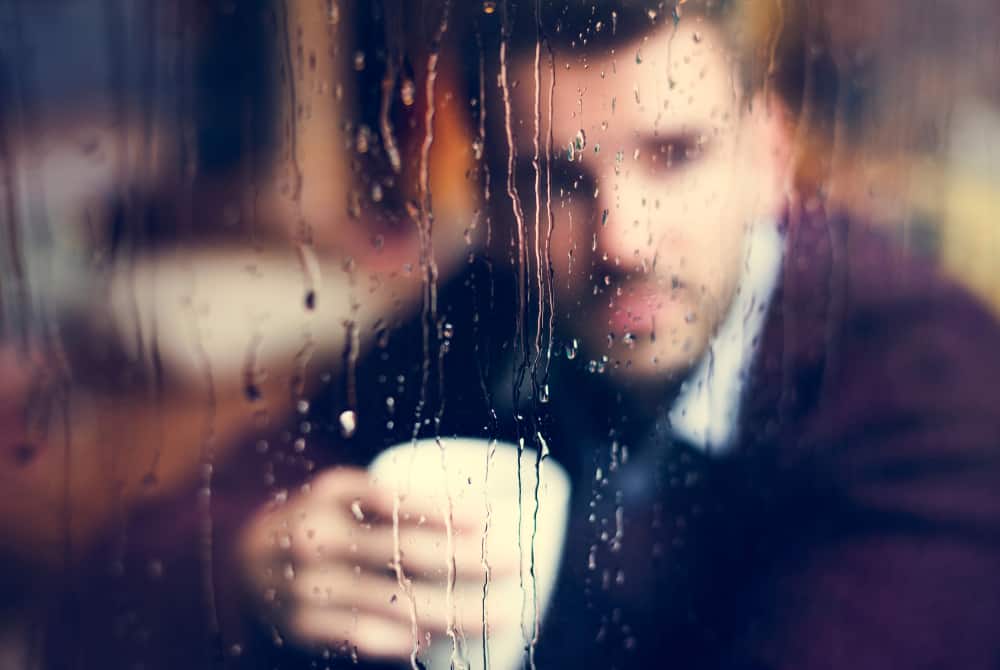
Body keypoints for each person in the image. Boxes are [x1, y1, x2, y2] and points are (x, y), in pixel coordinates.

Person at [35, 1, 1000, 669]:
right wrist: (257, 569)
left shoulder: (932, 383)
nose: (622, 239)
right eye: (554, 183)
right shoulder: (490, 308)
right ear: (493, 207)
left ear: (770, 156)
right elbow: (105, 596)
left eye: (674, 155)